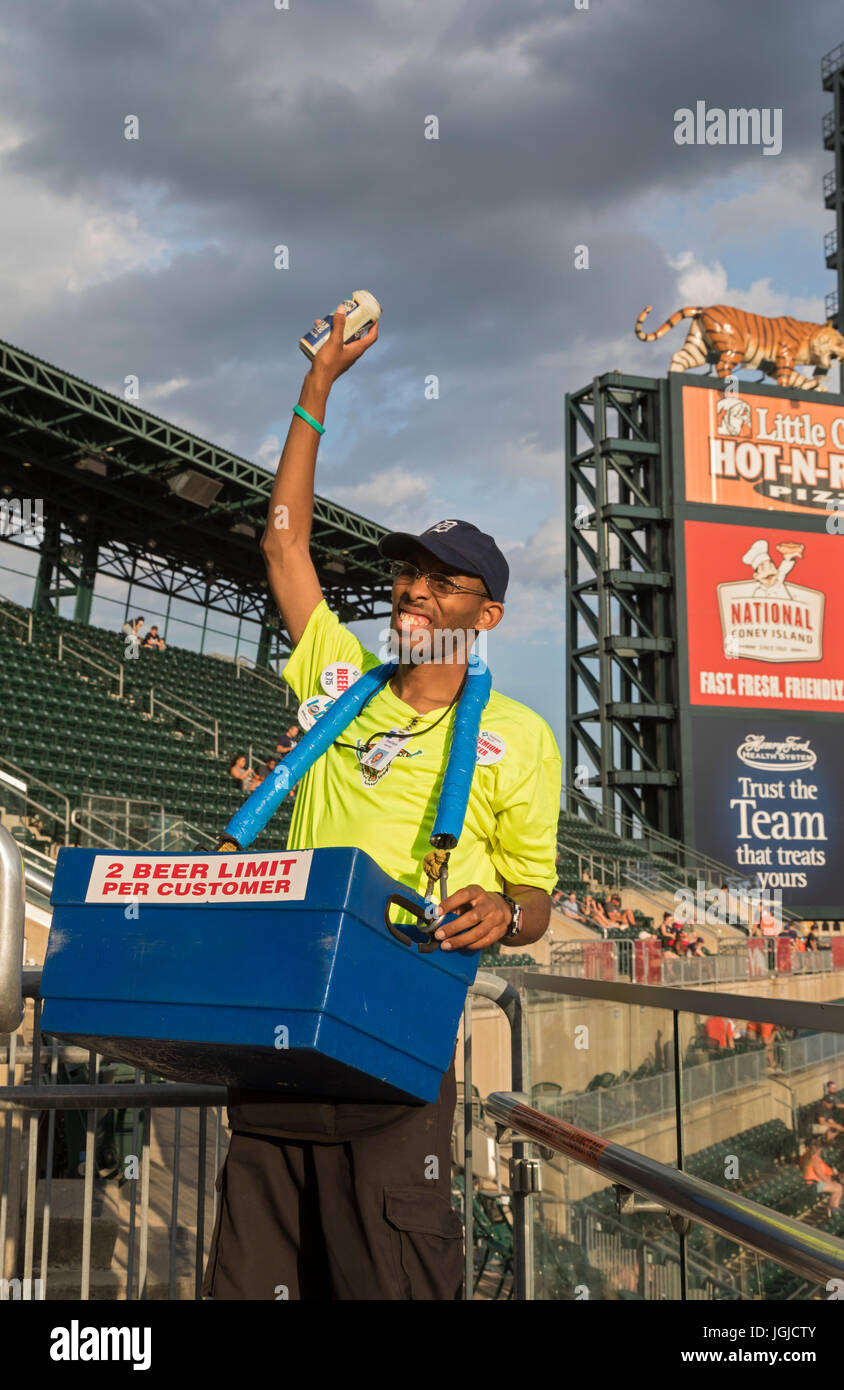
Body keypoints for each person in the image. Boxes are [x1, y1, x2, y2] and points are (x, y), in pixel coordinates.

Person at [203, 305, 561, 1302]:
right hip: (276, 1052)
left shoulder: (519, 736)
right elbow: (283, 546)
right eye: (407, 574)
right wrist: (316, 388)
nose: (413, 593)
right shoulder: (338, 676)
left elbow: (534, 891)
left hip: (396, 1059)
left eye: (443, 585)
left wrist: (506, 913)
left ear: (483, 616)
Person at [801, 1141, 844, 1211]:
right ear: (817, 1150)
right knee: (838, 1188)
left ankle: (832, 1209)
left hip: (812, 1184)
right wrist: (830, 1182)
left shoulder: (809, 1157)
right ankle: (833, 1208)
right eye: (820, 1150)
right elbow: (820, 1175)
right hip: (813, 1185)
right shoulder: (814, 1160)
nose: (820, 1152)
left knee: (837, 1186)